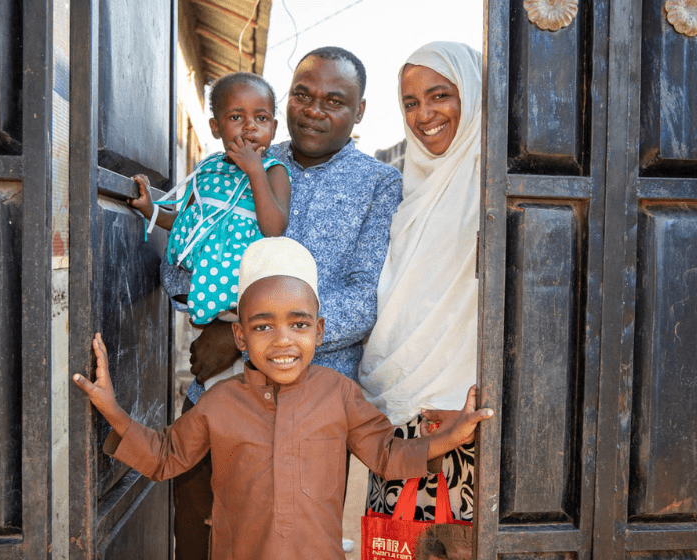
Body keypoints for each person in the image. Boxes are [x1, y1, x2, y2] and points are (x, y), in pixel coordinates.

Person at [72, 237, 493, 560]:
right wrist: (111, 408)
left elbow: (386, 453)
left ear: (320, 330)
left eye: (298, 324)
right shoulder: (219, 402)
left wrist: (451, 437)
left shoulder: (340, 394)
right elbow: (166, 456)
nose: (283, 341)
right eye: (262, 327)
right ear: (240, 335)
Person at [168, 47, 403, 558]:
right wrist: (208, 317)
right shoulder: (236, 160)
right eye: (302, 94)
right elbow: (182, 255)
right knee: (200, 533)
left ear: (360, 111)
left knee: (289, 542)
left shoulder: (379, 184)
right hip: (220, 398)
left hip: (316, 407)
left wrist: (251, 340)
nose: (315, 109)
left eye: (335, 100)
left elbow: (365, 297)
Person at [359, 42, 483, 525]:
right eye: (410, 103)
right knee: (393, 540)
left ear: (471, 95)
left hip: (463, 414)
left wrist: (466, 394)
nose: (424, 114)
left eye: (440, 96)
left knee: (452, 543)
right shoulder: (398, 187)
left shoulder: (496, 186)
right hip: (394, 415)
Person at [130, 72, 290, 325]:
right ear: (216, 128)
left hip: (249, 295)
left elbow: (274, 229)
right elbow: (187, 222)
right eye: (237, 117)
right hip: (200, 288)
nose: (250, 126)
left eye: (261, 118)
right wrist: (151, 210)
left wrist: (255, 171)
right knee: (213, 360)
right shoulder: (208, 169)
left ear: (274, 127)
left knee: (252, 356)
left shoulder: (273, 171)